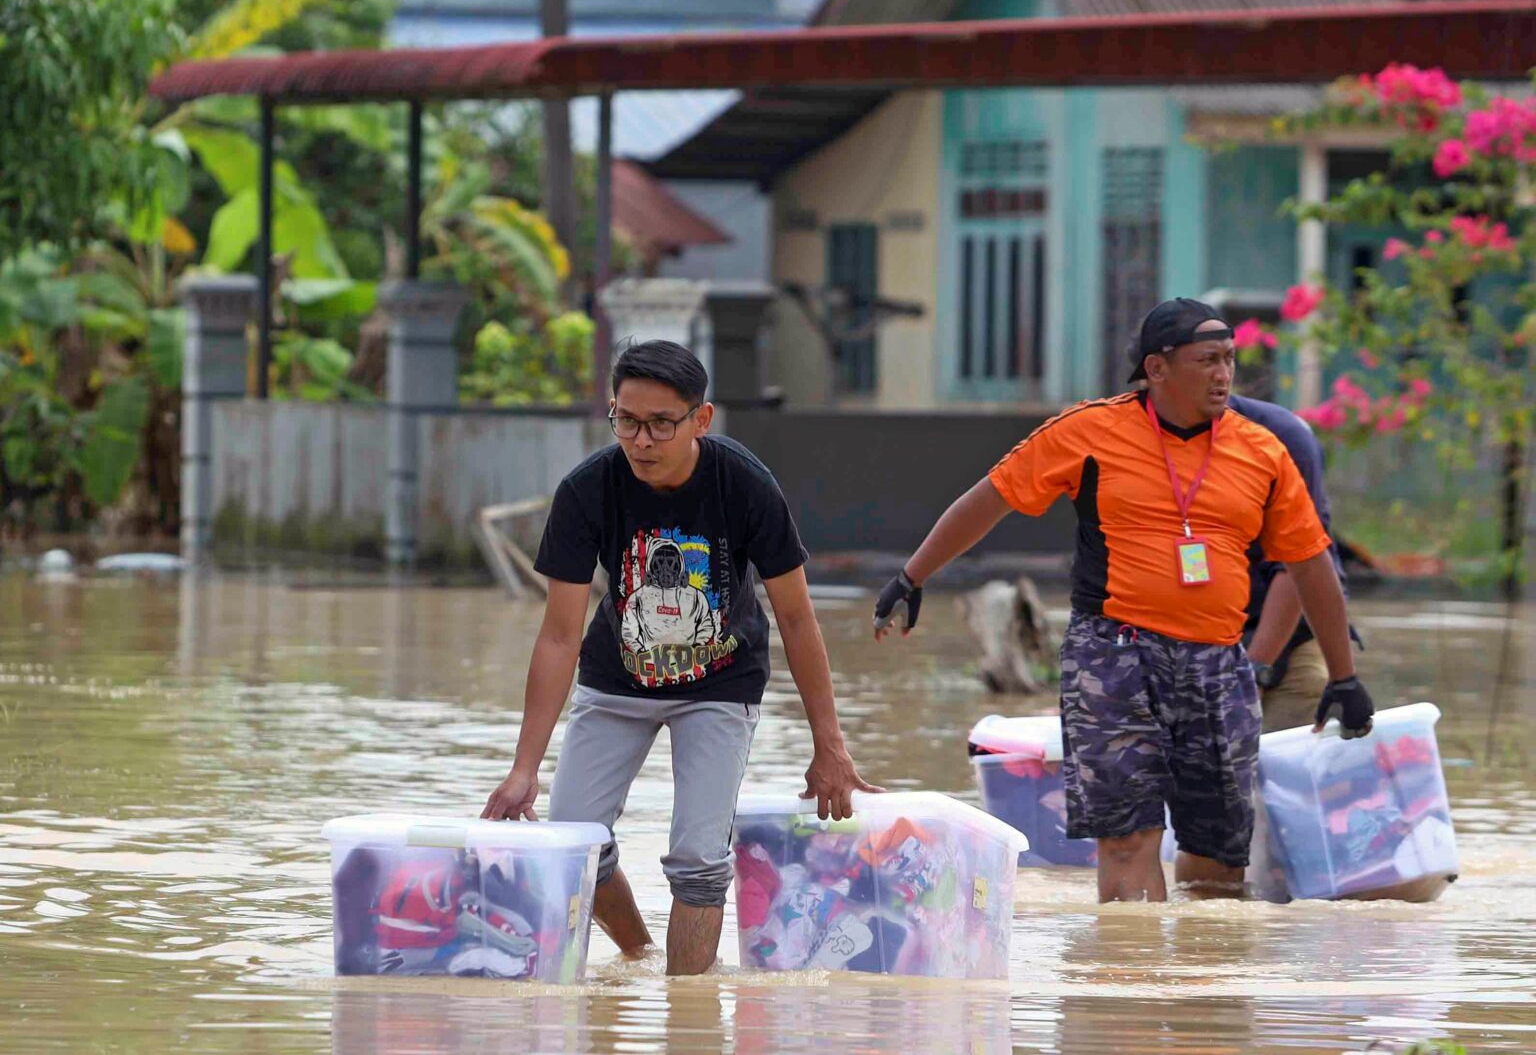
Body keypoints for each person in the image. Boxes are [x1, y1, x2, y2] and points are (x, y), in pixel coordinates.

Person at [872, 298, 1375, 903]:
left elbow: (1310, 562)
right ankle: (1129, 986)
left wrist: (1343, 676)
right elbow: (992, 498)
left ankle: (1197, 988)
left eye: (1229, 360)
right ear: (1157, 369)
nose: (1223, 375)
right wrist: (913, 575)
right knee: (1127, 838)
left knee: (1219, 858)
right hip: (1113, 655)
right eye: (1207, 361)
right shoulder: (1089, 431)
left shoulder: (1263, 450)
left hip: (1219, 662)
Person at [482, 339, 879, 974]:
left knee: (698, 858)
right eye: (626, 420)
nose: (641, 440)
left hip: (720, 684)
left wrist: (829, 744)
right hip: (616, 680)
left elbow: (798, 617)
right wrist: (524, 767)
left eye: (660, 424)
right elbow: (559, 634)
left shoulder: (743, 484)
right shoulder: (587, 491)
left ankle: (687, 1016)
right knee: (575, 845)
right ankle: (639, 954)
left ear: (700, 419)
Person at [1227, 394, 1359, 733]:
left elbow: (1301, 566)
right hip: (1184, 639)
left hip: (1287, 630)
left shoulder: (1279, 437)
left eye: (1224, 359)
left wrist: (1255, 670)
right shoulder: (1129, 439)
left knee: (1296, 751)